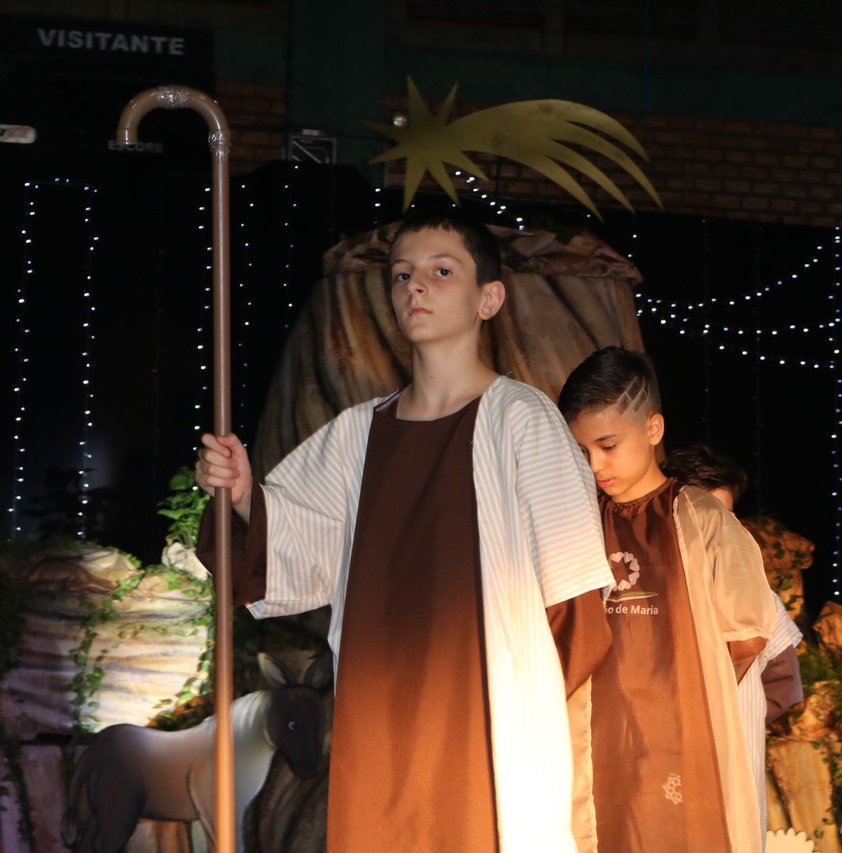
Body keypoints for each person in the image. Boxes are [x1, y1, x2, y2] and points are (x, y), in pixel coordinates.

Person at [194, 209, 615, 853]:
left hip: (485, 710)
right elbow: (289, 550)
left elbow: (575, 594)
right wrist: (245, 495)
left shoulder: (522, 419)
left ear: (489, 298)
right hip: (377, 710)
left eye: (442, 271)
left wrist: (519, 692)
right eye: (401, 274)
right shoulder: (356, 434)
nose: (415, 285)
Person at [558, 346, 775, 853]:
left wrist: (686, 702)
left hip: (679, 734)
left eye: (608, 445)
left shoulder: (701, 518)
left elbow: (745, 634)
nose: (595, 465)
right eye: (582, 451)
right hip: (589, 736)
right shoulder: (576, 522)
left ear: (653, 429)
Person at [663, 442, 806, 848]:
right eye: (704, 516)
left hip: (728, 775)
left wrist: (736, 721)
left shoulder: (758, 593)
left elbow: (785, 682)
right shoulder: (643, 589)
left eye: (725, 516)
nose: (717, 530)